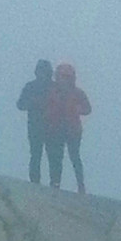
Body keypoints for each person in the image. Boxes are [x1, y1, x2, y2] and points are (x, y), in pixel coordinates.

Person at [43, 62, 90, 195]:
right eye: (61, 76)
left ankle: (81, 185)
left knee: (74, 157)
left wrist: (77, 109)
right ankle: (55, 183)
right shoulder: (51, 92)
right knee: (56, 157)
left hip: (72, 130)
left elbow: (88, 109)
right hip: (56, 129)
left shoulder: (77, 93)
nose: (63, 80)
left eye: (66, 77)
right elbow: (45, 108)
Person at [16, 59, 56, 184]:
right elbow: (20, 104)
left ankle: (55, 183)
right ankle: (35, 182)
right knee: (35, 154)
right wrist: (32, 103)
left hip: (52, 126)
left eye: (44, 71)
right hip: (35, 126)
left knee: (53, 156)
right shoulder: (30, 86)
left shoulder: (55, 87)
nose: (42, 74)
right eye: (40, 71)